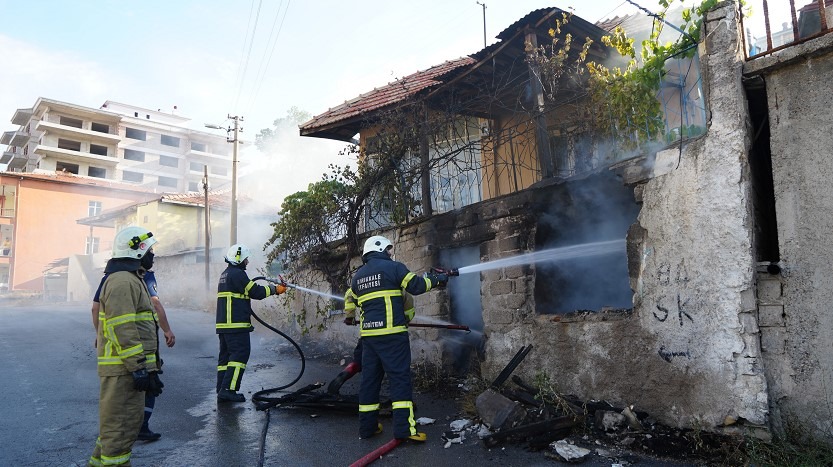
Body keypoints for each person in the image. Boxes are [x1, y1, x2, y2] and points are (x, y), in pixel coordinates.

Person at [351, 235, 449, 442]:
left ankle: (367, 428)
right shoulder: (394, 267)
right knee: (400, 381)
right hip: (392, 336)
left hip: (369, 338)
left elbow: (358, 302)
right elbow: (417, 286)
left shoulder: (357, 277)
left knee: (369, 382)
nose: (390, 253)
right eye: (388, 249)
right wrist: (438, 280)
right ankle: (405, 430)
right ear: (379, 249)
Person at [89, 226, 164, 467]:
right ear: (137, 250)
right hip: (123, 371)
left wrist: (150, 369)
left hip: (127, 370)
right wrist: (139, 368)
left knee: (118, 431)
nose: (153, 254)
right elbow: (123, 328)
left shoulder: (132, 278)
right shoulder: (122, 281)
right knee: (118, 434)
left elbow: (140, 328)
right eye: (150, 250)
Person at [92, 266, 175, 442]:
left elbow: (95, 308)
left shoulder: (109, 277)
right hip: (139, 346)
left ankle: (123, 434)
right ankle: (141, 427)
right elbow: (155, 303)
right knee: (148, 386)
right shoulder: (143, 276)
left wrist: (100, 334)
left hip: (114, 352)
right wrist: (167, 330)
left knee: (118, 403)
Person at [216, 243, 286, 403]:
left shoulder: (225, 274)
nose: (247, 262)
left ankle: (221, 389)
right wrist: (276, 290)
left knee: (225, 359)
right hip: (236, 325)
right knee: (239, 355)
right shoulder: (238, 274)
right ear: (239, 259)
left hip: (224, 326)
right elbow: (256, 292)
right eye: (245, 259)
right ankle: (228, 390)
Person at [327, 288, 415, 396]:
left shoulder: (364, 280)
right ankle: (399, 401)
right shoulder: (395, 279)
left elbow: (349, 294)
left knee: (363, 365)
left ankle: (350, 370)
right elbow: (409, 305)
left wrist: (350, 316)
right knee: (396, 369)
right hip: (392, 336)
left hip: (369, 334)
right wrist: (406, 319)